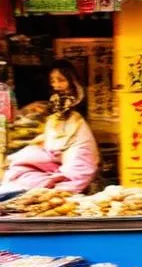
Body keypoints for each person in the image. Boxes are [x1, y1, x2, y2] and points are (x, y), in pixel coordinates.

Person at [2, 60, 99, 193]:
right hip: (55, 155)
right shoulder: (54, 106)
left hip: (72, 151)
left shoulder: (76, 113)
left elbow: (75, 145)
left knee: (75, 172)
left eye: (61, 80)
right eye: (53, 81)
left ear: (72, 81)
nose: (56, 85)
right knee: (19, 167)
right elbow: (53, 138)